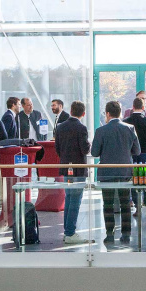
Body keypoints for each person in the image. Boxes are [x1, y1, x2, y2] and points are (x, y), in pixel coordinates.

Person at [91, 101, 140, 243]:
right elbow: (136, 151)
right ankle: (126, 234)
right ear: (120, 112)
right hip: (125, 172)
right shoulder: (130, 128)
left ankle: (110, 234)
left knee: (108, 205)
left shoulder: (101, 131)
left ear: (107, 113)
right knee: (125, 204)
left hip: (107, 173)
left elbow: (94, 153)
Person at [54, 101, 90, 244]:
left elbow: (57, 148)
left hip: (65, 168)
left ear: (70, 110)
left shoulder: (61, 127)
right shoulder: (81, 128)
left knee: (69, 198)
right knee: (75, 199)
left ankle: (67, 231)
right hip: (78, 169)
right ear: (83, 113)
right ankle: (70, 233)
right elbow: (85, 149)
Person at [123, 97, 146, 215]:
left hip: (131, 154)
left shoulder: (126, 121)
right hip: (144, 153)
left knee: (134, 180)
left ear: (132, 107)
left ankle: (137, 206)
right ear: (143, 108)